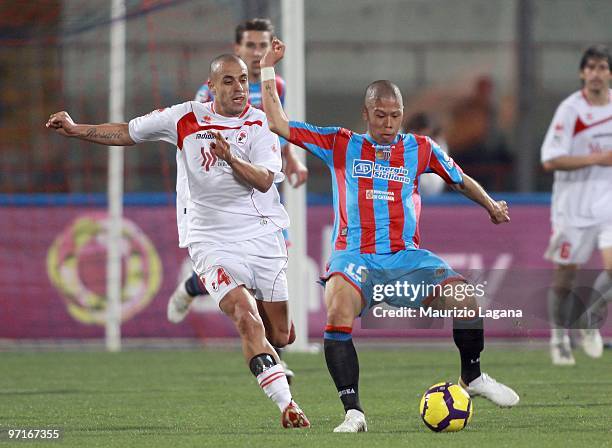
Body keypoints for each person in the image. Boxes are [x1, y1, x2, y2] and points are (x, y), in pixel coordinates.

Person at [260, 38, 519, 432]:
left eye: (395, 116)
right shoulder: (340, 143)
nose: (388, 124)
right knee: (337, 308)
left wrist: (490, 205)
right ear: (366, 114)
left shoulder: (421, 148)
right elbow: (278, 123)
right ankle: (354, 412)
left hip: (405, 258)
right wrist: (265, 68)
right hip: (355, 256)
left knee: (465, 298)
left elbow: (459, 178)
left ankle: (473, 377)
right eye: (380, 116)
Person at [45, 54, 310, 428]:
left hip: (261, 235)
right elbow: (127, 131)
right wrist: (76, 129)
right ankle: (287, 404)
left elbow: (265, 180)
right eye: (230, 81)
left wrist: (231, 157)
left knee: (280, 333)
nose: (239, 89)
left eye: (244, 80)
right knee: (246, 319)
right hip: (210, 238)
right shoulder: (185, 117)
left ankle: (239, 318)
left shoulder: (260, 122)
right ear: (211, 86)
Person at [168, 18, 307, 335]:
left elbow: (276, 128)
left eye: (263, 46)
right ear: (238, 48)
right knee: (236, 271)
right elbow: (202, 138)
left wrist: (293, 159)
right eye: (251, 46)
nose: (257, 52)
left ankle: (272, 348)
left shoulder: (277, 86)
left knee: (268, 265)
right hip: (223, 192)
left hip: (259, 183)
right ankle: (192, 287)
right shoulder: (210, 91)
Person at [541, 44, 612, 366]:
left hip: (608, 202)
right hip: (573, 206)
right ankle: (559, 337)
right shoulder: (571, 110)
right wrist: (598, 158)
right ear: (583, 73)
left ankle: (589, 320)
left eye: (602, 67)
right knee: (564, 278)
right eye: (591, 68)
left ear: (609, 73)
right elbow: (550, 160)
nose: (596, 74)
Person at [403, 112, 446, 196]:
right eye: (418, 135)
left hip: (430, 193)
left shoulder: (438, 146)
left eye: (425, 136)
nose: (421, 140)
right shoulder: (400, 141)